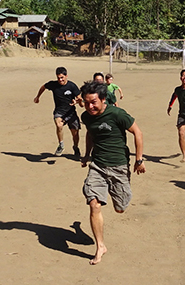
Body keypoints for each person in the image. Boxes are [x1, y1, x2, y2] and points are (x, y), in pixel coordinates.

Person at [79, 81, 145, 265]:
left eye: (93, 102)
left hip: (119, 167)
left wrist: (139, 160)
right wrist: (86, 155)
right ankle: (100, 246)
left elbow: (137, 133)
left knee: (120, 208)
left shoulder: (117, 114)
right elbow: (90, 134)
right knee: (94, 203)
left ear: (103, 99)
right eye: (86, 102)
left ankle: (117, 195)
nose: (90, 106)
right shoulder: (86, 117)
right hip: (98, 166)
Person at [34, 67, 82, 157]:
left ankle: (75, 147)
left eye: (62, 77)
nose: (60, 80)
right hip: (59, 112)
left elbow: (81, 102)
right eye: (58, 77)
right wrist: (38, 97)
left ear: (66, 76)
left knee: (75, 133)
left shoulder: (72, 86)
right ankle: (61, 145)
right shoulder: (53, 84)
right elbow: (43, 87)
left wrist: (77, 101)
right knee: (58, 124)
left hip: (71, 113)